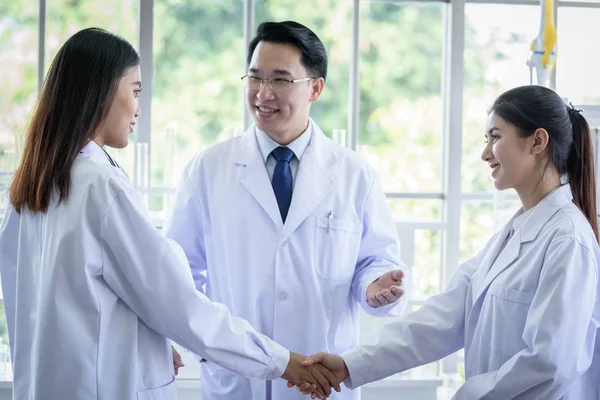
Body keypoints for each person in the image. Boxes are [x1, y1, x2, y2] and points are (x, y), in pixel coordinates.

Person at [0, 27, 339, 400]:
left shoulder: (30, 187)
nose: (138, 108)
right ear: (100, 92)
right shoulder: (100, 187)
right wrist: (282, 361)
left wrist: (155, 341)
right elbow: (179, 304)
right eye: (135, 90)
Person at [301, 85, 600, 400]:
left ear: (538, 141)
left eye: (495, 137)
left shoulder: (568, 240)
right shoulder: (513, 234)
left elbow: (550, 363)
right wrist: (349, 364)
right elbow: (441, 320)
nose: (485, 153)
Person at [163, 20, 409, 400]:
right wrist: (207, 350)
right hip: (237, 381)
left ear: (315, 88)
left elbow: (375, 261)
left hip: (322, 380)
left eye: (280, 80)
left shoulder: (353, 174)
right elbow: (178, 273)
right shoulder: (207, 170)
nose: (263, 93)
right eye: (254, 77)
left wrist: (375, 286)